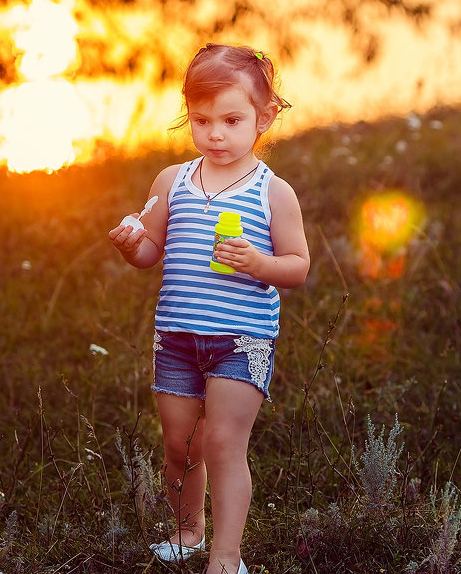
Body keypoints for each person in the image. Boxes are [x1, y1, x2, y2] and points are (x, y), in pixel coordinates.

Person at [109, 43, 310, 574]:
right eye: (201, 120)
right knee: (181, 444)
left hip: (242, 341)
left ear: (264, 118)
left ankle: (226, 555)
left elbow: (297, 267)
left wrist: (258, 263)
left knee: (221, 442)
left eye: (232, 119)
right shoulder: (171, 182)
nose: (215, 133)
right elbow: (152, 252)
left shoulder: (274, 193)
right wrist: (133, 246)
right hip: (176, 336)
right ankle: (188, 531)